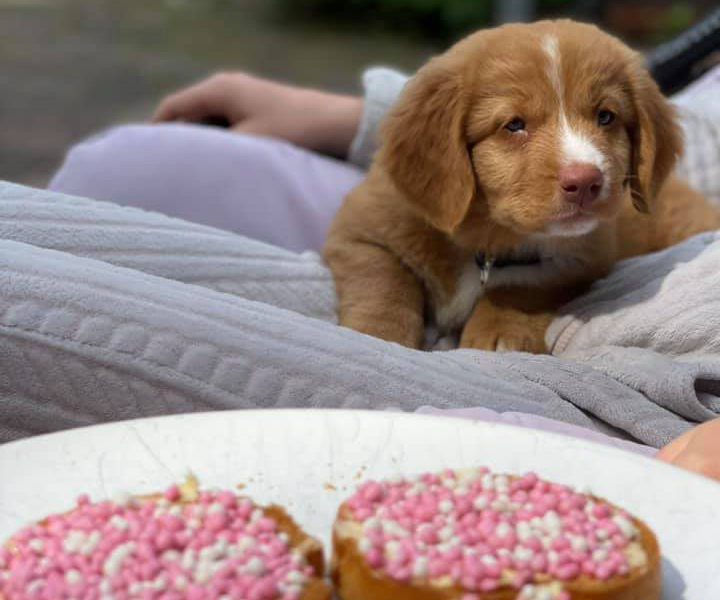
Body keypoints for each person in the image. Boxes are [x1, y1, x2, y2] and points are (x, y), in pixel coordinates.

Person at [47, 68, 720, 482]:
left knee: (22, 307)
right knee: (126, 168)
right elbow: (652, 122)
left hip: (640, 361)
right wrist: (357, 118)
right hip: (543, 230)